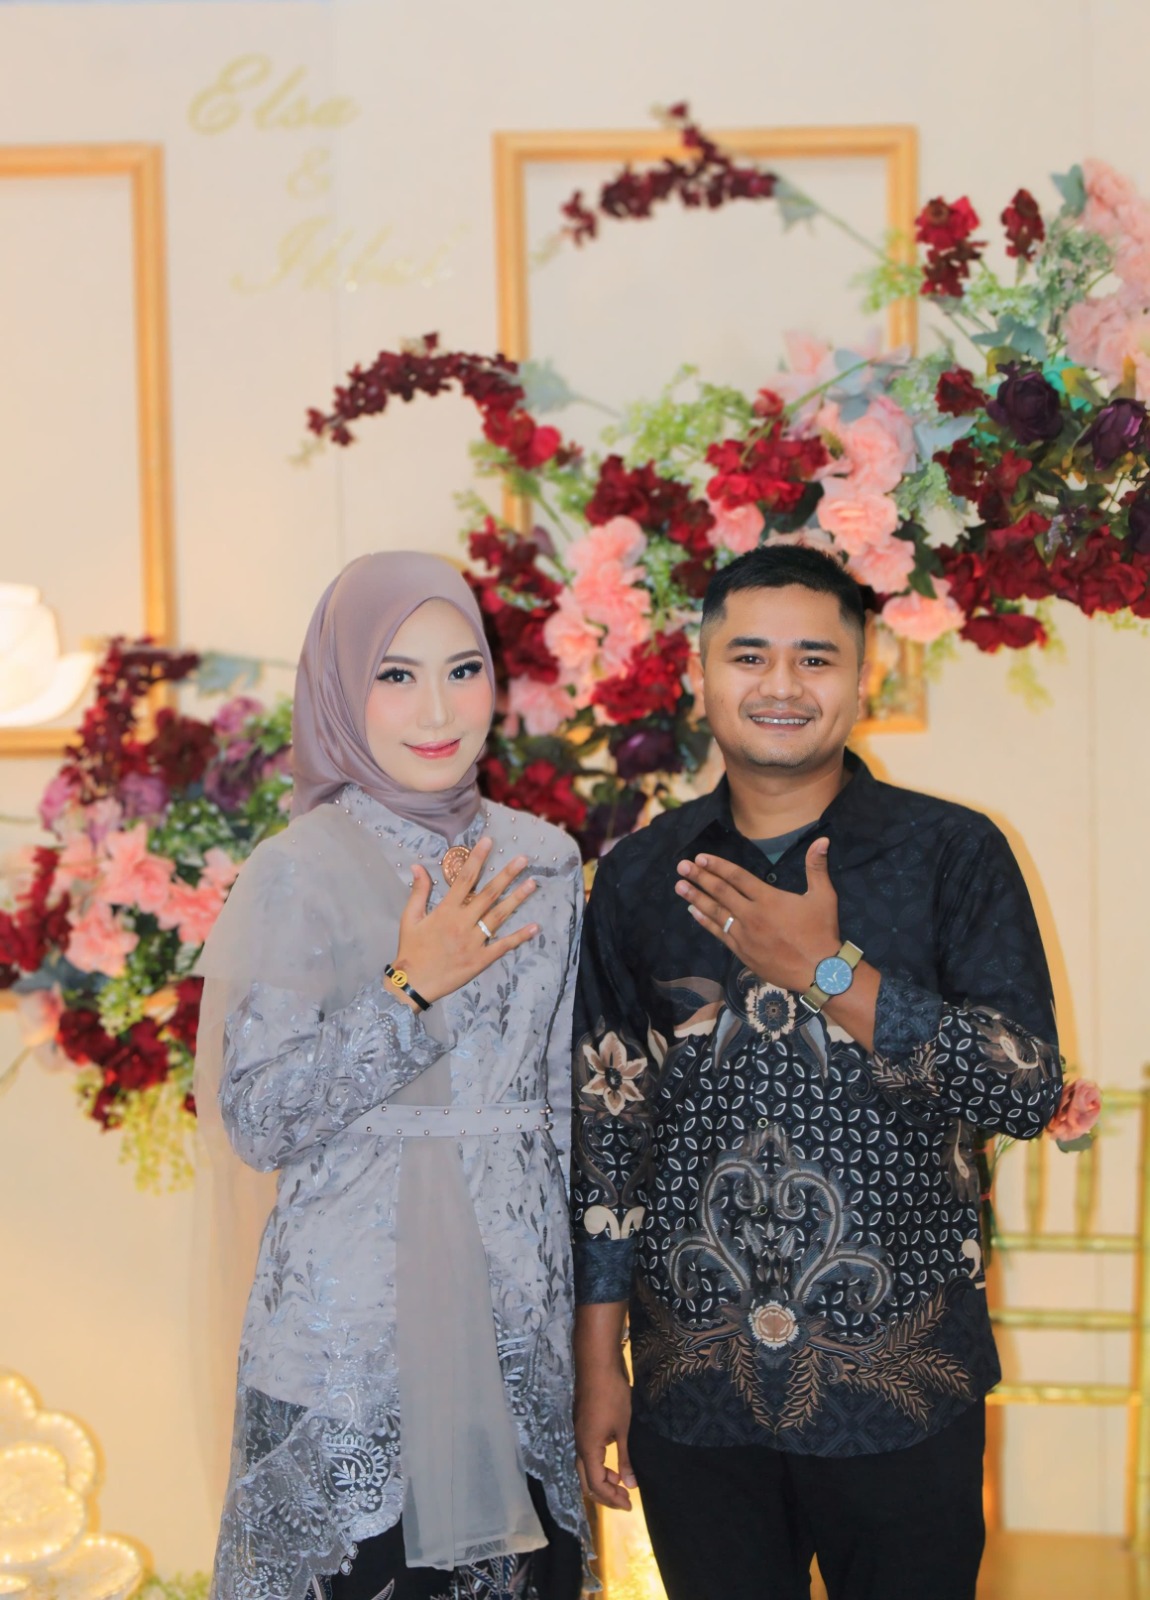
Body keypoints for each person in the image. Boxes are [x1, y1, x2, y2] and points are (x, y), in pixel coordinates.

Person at [570, 544, 1063, 1600]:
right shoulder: (642, 874)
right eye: (750, 656)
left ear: (862, 677)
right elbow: (609, 1133)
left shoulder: (951, 853)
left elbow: (1024, 1089)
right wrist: (596, 1361)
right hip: (694, 1388)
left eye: (815, 658)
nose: (782, 686)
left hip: (902, 1383)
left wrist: (831, 973)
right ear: (701, 673)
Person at [195, 552, 589, 1600]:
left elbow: (559, 1108)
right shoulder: (299, 868)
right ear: (339, 690)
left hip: (515, 1321)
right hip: (350, 1335)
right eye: (396, 675)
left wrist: (589, 1338)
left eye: (462, 671)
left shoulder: (546, 860)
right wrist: (409, 993)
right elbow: (256, 1118)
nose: (438, 710)